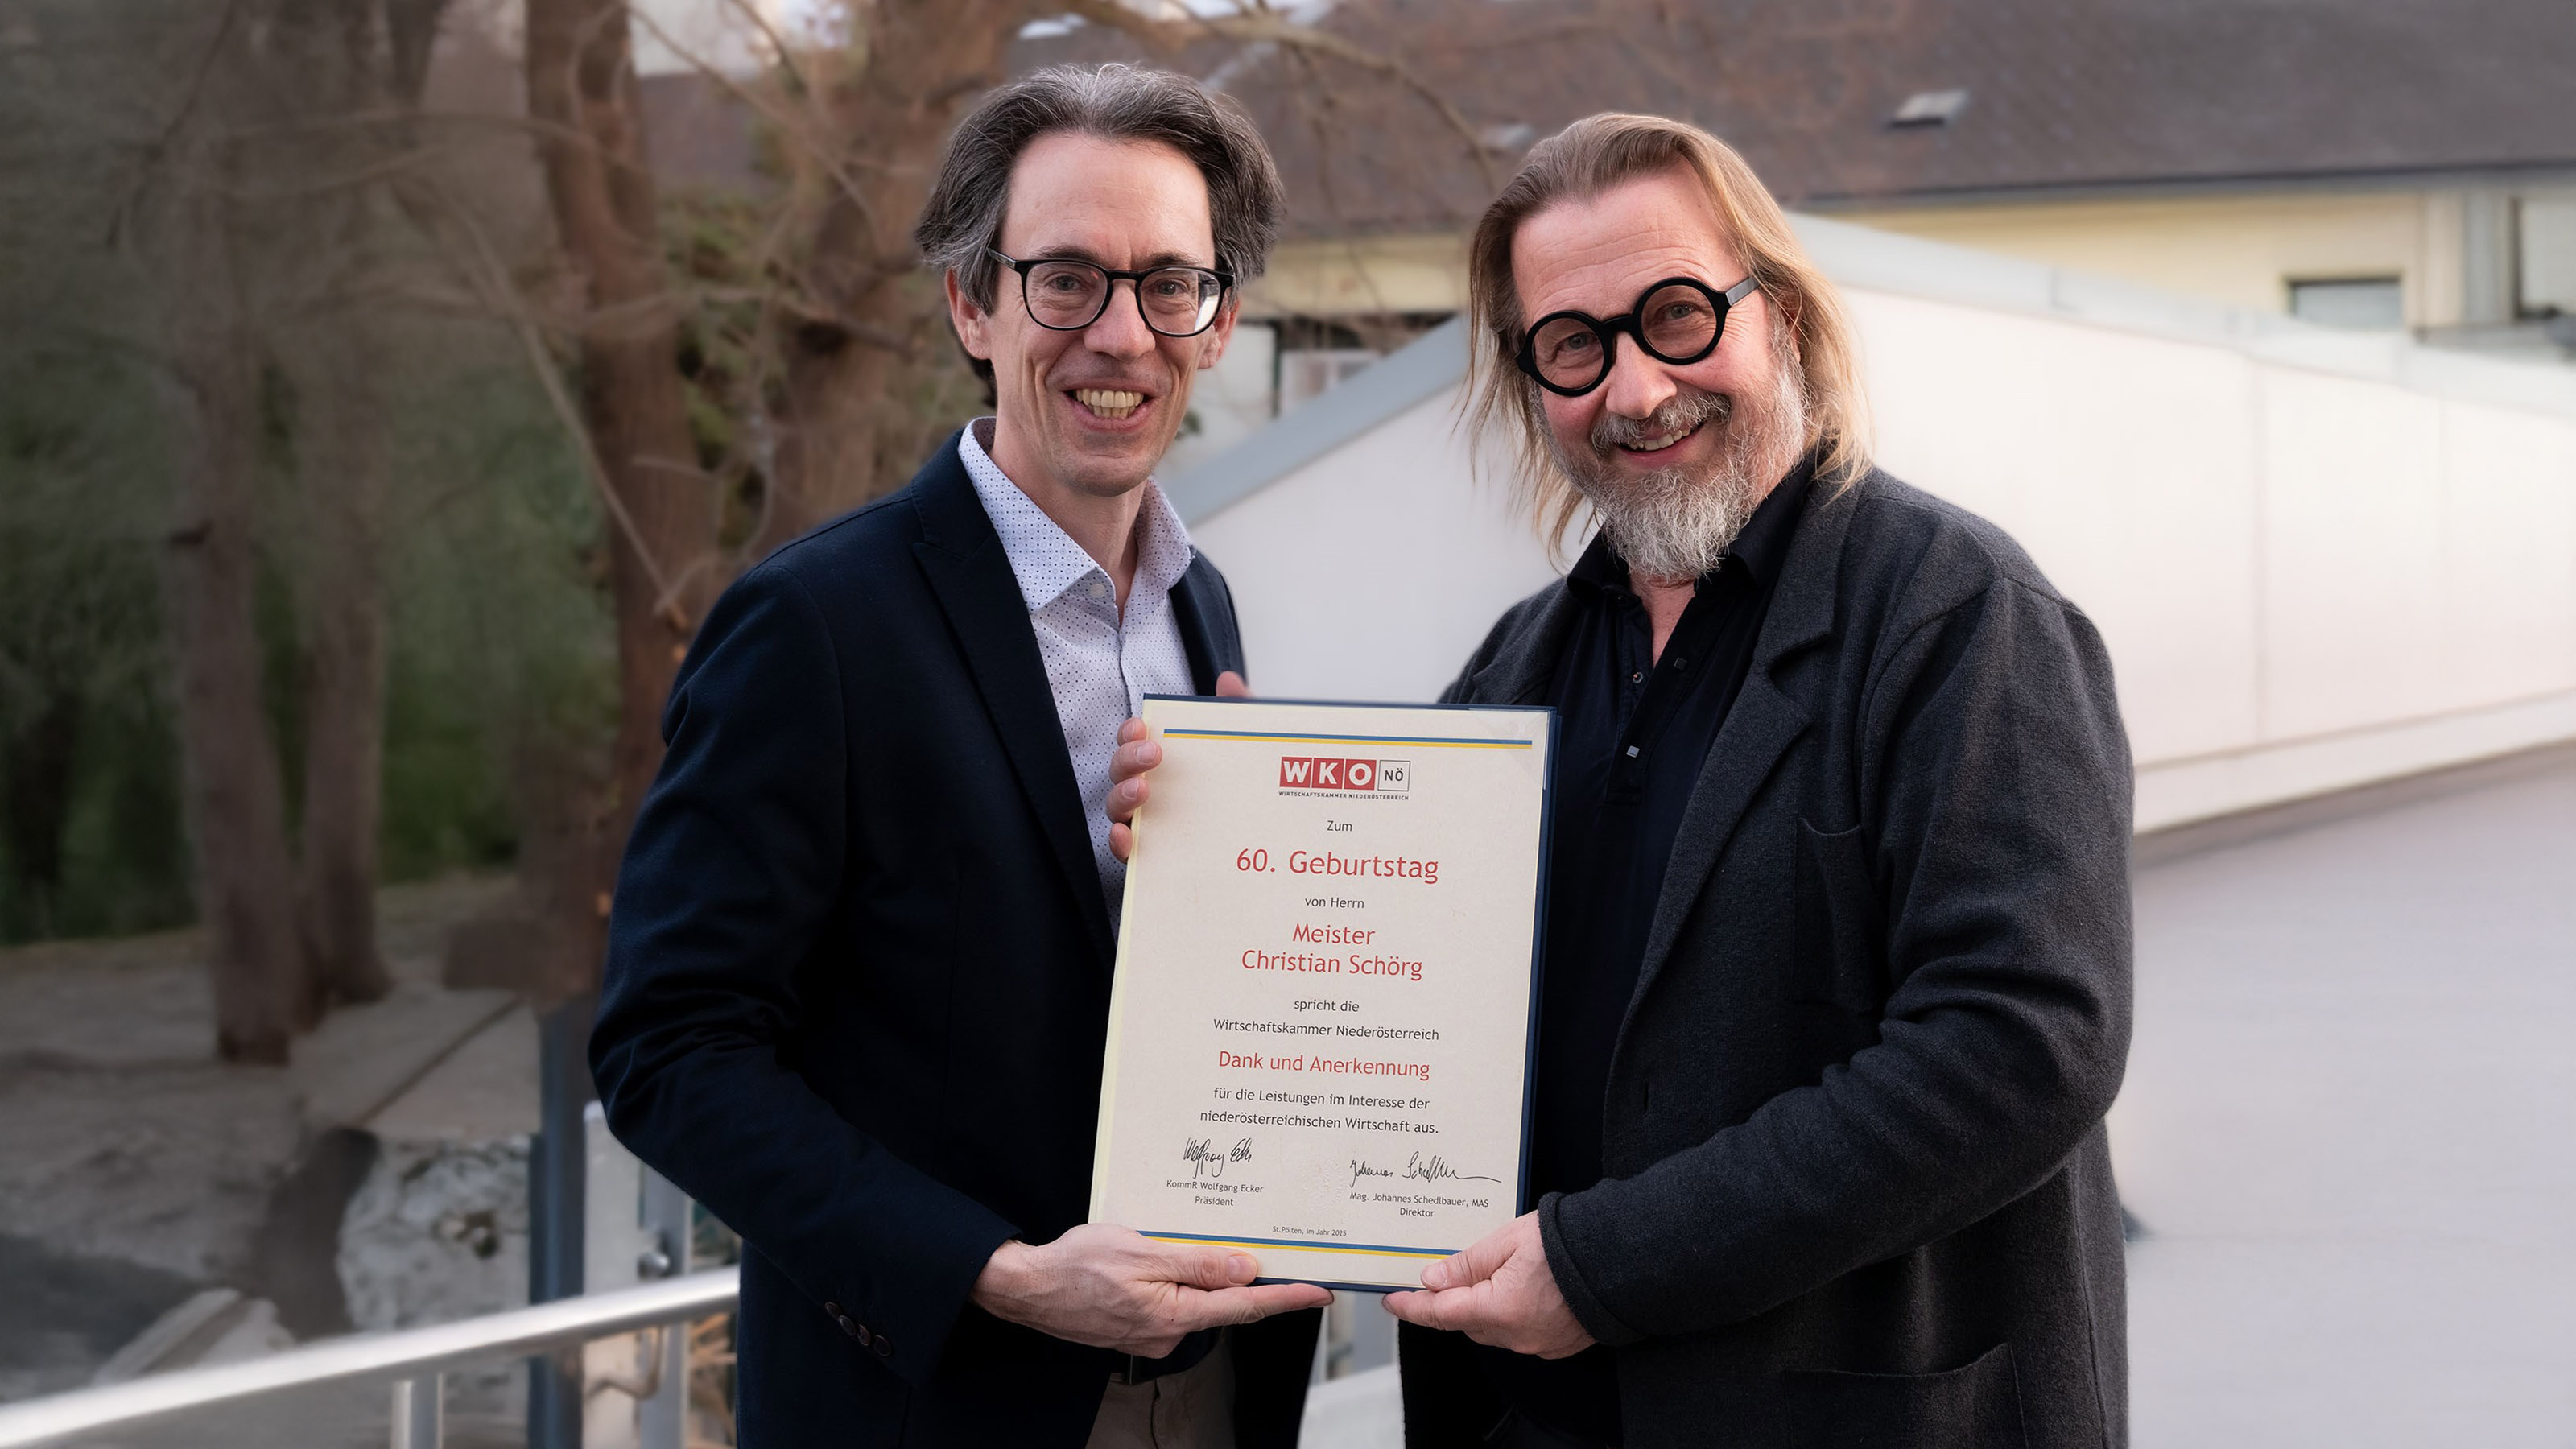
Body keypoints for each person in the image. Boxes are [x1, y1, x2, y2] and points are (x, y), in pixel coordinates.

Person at [1112, 112, 2134, 1449]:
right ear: (1532, 379)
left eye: (1677, 316)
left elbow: (2024, 1044)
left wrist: (1609, 1268)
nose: (1637, 390)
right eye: (1575, 345)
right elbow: (1400, 997)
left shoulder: (1957, 616)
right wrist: (1241, 847)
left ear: (1780, 319)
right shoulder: (1512, 674)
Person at [589, 64, 1330, 1449]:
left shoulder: (1203, 607)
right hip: (940, 1400)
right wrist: (993, 1273)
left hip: (1216, 1390)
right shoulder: (815, 625)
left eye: (1172, 285)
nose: (1123, 334)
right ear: (971, 305)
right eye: (1068, 280)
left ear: (1219, 323)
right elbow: (667, 1051)